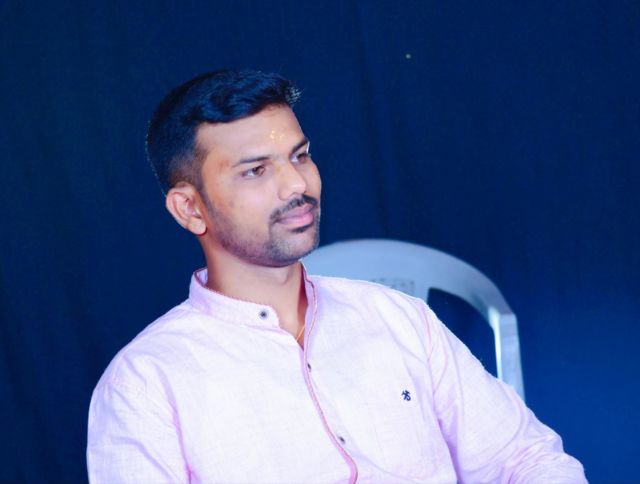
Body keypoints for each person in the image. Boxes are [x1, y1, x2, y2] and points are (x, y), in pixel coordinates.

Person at [87, 69, 586, 483]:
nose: (296, 185)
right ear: (190, 208)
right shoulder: (145, 384)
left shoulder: (397, 318)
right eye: (256, 170)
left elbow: (525, 459)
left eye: (300, 156)